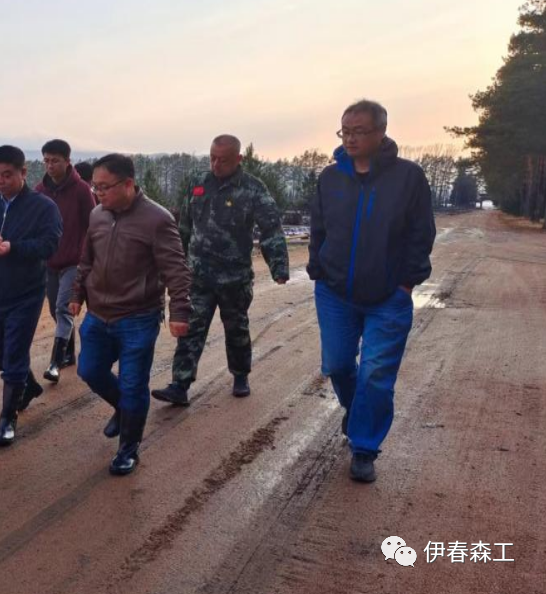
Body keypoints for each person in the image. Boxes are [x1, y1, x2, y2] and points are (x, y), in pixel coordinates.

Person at [308, 99, 435, 482]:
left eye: (359, 131)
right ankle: (358, 411)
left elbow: (421, 233)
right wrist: (317, 268)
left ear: (381, 132)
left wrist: (406, 283)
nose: (350, 139)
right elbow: (319, 229)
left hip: (388, 297)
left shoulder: (408, 177)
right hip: (335, 293)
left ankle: (364, 447)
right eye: (345, 131)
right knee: (337, 364)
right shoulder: (330, 178)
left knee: (376, 374)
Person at [70, 154, 191, 476]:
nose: (98, 193)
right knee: (89, 369)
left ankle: (128, 448)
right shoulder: (97, 215)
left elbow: (176, 270)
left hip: (138, 317)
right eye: (95, 187)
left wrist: (180, 311)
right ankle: (123, 410)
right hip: (98, 314)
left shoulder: (157, 219)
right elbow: (87, 260)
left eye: (104, 187)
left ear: (128, 184)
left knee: (133, 383)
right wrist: (77, 294)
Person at [152, 135, 289, 405]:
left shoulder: (252, 188)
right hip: (198, 275)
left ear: (238, 159)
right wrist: (174, 264)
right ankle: (180, 385)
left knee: (236, 329)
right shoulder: (198, 183)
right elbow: (184, 227)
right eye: (212, 158)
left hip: (234, 277)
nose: (216, 164)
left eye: (223, 160)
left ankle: (240, 375)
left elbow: (271, 228)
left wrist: (278, 266)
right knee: (190, 329)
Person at [0, 146, 62, 446]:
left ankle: (8, 418)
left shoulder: (43, 207)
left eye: (7, 175)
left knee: (15, 353)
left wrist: (14, 248)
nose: (0, 181)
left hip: (26, 293)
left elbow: (49, 244)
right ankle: (28, 386)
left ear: (23, 173)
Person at [35, 139, 97, 383]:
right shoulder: (40, 191)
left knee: (63, 307)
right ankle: (68, 352)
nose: (50, 165)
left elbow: (93, 225)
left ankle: (55, 362)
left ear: (67, 161)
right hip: (50, 262)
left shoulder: (81, 190)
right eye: (46, 161)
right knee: (54, 309)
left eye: (55, 161)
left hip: (74, 261)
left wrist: (90, 256)